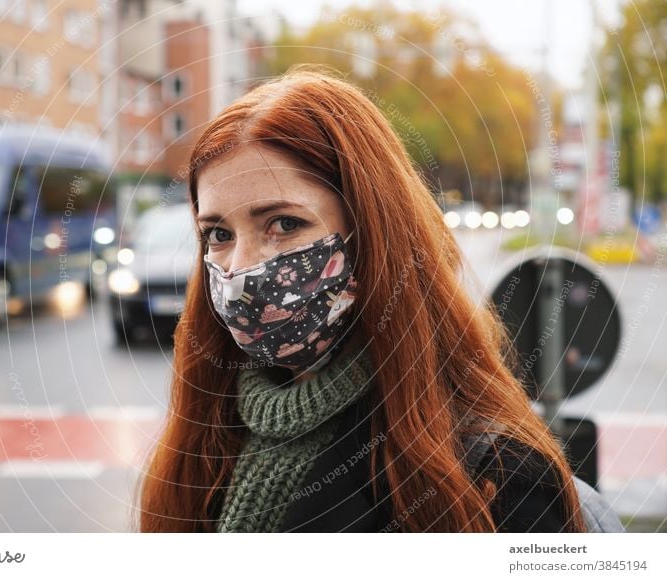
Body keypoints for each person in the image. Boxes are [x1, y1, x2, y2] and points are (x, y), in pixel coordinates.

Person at [137, 66, 588, 533]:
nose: (239, 268)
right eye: (218, 234)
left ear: (371, 233)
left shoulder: (496, 478)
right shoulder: (204, 445)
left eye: (284, 224)